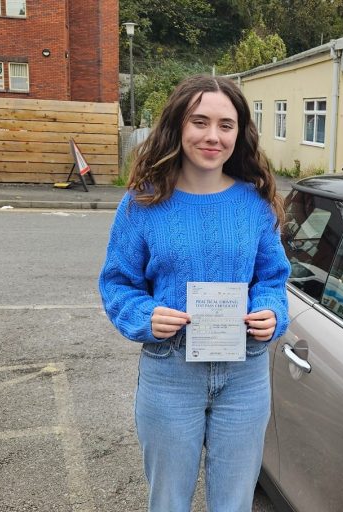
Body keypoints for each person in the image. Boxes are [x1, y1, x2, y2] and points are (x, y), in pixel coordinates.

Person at [99, 74, 290, 512]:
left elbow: (273, 277)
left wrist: (269, 310)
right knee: (168, 502)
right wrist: (145, 316)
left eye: (226, 125)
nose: (212, 136)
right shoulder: (142, 203)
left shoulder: (256, 202)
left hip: (245, 372)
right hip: (171, 371)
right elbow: (117, 282)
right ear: (177, 126)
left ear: (239, 133)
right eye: (199, 121)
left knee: (234, 502)